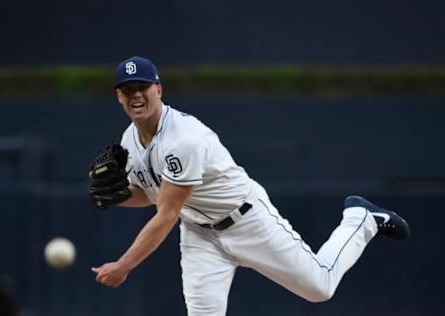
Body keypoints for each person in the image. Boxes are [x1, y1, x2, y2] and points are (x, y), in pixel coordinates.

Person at [90, 56, 410, 315]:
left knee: (320, 287)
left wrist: (124, 265)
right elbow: (149, 196)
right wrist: (118, 197)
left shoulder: (183, 139)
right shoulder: (129, 139)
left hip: (246, 220)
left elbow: (166, 214)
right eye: (127, 89)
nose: (135, 95)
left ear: (158, 89)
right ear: (119, 96)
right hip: (200, 234)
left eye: (142, 86)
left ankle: (360, 220)